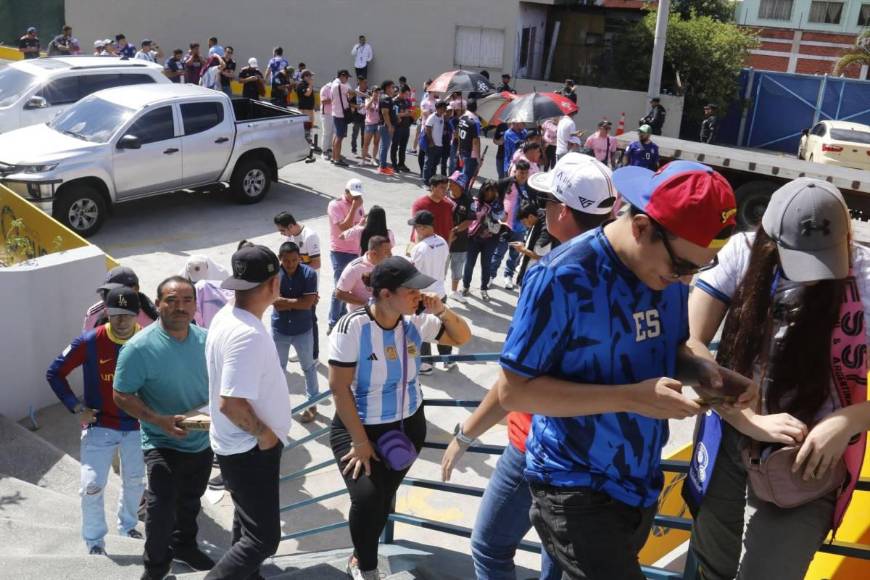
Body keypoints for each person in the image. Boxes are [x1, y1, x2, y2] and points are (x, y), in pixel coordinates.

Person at [496, 160, 742, 579]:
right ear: (643, 227)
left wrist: (704, 371)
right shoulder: (561, 278)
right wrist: (631, 397)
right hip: (572, 483)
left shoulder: (664, 275)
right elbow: (513, 392)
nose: (686, 282)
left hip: (638, 481)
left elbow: (671, 348)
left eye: (699, 270)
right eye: (683, 267)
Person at [442, 153, 617, 580]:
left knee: (488, 546)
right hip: (598, 446)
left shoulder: (552, 278)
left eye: (547, 201)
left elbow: (512, 387)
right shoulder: (624, 270)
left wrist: (465, 435)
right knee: (557, 555)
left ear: (561, 210)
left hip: (539, 442)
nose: (541, 209)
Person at [685, 178, 870, 580]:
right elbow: (690, 344)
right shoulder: (743, 252)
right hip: (729, 434)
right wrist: (746, 420)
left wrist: (850, 419)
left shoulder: (866, 278)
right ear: (769, 237)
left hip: (807, 455)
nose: (815, 273)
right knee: (711, 564)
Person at [329, 257, 470, 580]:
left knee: (382, 498)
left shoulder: (416, 322)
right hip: (359, 426)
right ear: (385, 293)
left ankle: (363, 553)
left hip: (408, 425)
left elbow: (461, 337)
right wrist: (361, 442)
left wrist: (442, 311)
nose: (419, 295)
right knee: (367, 499)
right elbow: (338, 388)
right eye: (411, 290)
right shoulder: (353, 327)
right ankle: (365, 565)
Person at [113, 277, 215, 579]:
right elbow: (121, 395)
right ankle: (155, 569)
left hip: (201, 441)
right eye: (171, 300)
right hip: (161, 441)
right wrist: (159, 421)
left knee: (191, 500)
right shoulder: (138, 348)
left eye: (186, 300)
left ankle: (184, 546)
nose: (179, 307)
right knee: (160, 508)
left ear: (195, 305)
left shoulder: (207, 340)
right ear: (157, 304)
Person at [204, 246, 290, 579]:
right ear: (273, 283)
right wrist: (266, 435)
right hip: (250, 449)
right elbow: (231, 403)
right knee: (263, 538)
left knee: (246, 523)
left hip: (238, 446)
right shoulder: (246, 335)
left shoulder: (227, 315)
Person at [47, 287, 145, 556]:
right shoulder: (89, 341)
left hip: (139, 427)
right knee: (91, 486)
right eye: (115, 315)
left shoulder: (150, 340)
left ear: (137, 314)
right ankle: (94, 542)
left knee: (136, 482)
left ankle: (128, 527)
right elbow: (55, 372)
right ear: (107, 314)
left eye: (127, 314)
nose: (122, 321)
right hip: (99, 426)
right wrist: (76, 407)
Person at [268, 242, 320, 423]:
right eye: (286, 260)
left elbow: (307, 304)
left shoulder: (309, 274)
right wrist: (300, 301)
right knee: (278, 369)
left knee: (308, 367)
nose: (290, 264)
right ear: (280, 258)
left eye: (294, 260)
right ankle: (279, 406)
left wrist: (284, 301)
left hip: (302, 330)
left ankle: (313, 403)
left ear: (300, 258)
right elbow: (275, 302)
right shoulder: (273, 275)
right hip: (280, 329)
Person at [408, 211, 452, 374]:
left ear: (424, 228)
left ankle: (426, 365)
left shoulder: (419, 248)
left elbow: (413, 275)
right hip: (440, 293)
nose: (415, 231)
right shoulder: (442, 242)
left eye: (416, 227)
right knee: (442, 327)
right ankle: (447, 360)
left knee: (422, 330)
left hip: (424, 296)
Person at [328, 179, 367, 333]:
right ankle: (333, 321)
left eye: (358, 196)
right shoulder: (335, 205)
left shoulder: (358, 204)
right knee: (340, 287)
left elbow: (358, 225)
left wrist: (363, 222)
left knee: (351, 287)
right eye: (353, 195)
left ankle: (343, 316)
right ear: (346, 191)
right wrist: (354, 207)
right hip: (340, 251)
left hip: (355, 251)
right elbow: (344, 226)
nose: (356, 198)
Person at [490, 161, 532, 290]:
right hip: (505, 224)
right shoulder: (507, 182)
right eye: (521, 172)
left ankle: (508, 276)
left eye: (526, 173)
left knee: (514, 254)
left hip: (520, 227)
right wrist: (497, 211)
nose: (523, 175)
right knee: (498, 252)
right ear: (516, 171)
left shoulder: (530, 187)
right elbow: (492, 191)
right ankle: (490, 275)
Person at [462, 180, 505, 302]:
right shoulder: (475, 202)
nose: (489, 193)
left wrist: (495, 211)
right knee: (469, 264)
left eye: (492, 190)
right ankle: (466, 286)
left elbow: (502, 218)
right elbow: (470, 217)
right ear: (483, 190)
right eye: (487, 190)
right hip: (473, 238)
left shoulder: (499, 205)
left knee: (486, 265)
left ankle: (483, 289)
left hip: (491, 240)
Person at [84, 266, 158, 330]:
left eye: (118, 290)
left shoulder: (153, 313)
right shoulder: (94, 313)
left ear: (136, 289)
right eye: (108, 291)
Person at [335, 236, 392, 311]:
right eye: (386, 252)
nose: (390, 254)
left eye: (390, 250)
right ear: (373, 254)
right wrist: (367, 304)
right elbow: (340, 293)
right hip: (362, 315)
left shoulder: (389, 264)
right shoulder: (354, 268)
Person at [446, 172, 473, 304]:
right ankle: (438, 290)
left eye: (454, 183)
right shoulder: (444, 195)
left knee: (457, 266)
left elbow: (470, 220)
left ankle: (454, 291)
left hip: (460, 240)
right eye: (450, 182)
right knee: (441, 266)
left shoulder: (468, 200)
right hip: (444, 238)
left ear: (461, 186)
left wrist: (455, 230)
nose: (450, 184)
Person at [411, 174, 456, 243]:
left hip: (441, 247)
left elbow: (450, 229)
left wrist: (447, 248)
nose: (445, 191)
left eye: (446, 188)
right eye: (442, 188)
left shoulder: (448, 205)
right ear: (432, 187)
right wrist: (419, 248)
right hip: (423, 246)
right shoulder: (419, 204)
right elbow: (418, 229)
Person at [331, 70, 354, 166]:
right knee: (339, 137)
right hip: (341, 114)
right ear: (342, 76)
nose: (347, 79)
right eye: (347, 77)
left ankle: (334, 157)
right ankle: (337, 159)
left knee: (337, 136)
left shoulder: (335, 84)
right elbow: (353, 93)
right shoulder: (340, 85)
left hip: (337, 113)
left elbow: (347, 97)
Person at [457, 99, 482, 183]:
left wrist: (458, 149)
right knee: (467, 175)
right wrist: (478, 157)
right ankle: (462, 193)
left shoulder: (462, 118)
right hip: (471, 153)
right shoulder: (475, 121)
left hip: (462, 149)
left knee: (462, 173)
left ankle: (459, 191)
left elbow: (459, 135)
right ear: (476, 108)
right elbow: (476, 140)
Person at [423, 101, 448, 184]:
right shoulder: (432, 117)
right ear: (437, 108)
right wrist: (431, 142)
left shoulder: (442, 117)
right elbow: (427, 129)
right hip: (432, 145)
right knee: (428, 164)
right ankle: (426, 182)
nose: (444, 110)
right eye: (443, 108)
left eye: (445, 108)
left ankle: (432, 181)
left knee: (435, 164)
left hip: (439, 145)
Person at [390, 86, 414, 173]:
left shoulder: (407, 101)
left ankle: (401, 164)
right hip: (397, 127)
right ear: (401, 93)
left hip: (406, 127)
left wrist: (411, 114)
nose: (408, 96)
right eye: (406, 94)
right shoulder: (394, 101)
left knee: (403, 147)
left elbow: (408, 112)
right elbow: (394, 115)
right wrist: (405, 114)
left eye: (409, 94)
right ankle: (394, 164)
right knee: (395, 146)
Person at [377, 79, 397, 176]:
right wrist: (389, 126)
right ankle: (382, 167)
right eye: (392, 87)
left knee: (383, 146)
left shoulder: (387, 98)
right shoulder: (385, 98)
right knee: (385, 146)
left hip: (385, 125)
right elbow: (385, 113)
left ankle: (382, 165)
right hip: (385, 126)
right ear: (388, 88)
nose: (394, 89)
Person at [361, 85, 382, 166]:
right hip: (369, 124)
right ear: (372, 92)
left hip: (378, 124)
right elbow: (366, 107)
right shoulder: (368, 99)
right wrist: (372, 99)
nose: (377, 94)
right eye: (375, 92)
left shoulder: (380, 101)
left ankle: (373, 159)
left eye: (378, 92)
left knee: (376, 143)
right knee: (366, 143)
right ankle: (363, 160)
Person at [296, 70, 316, 145]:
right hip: (304, 109)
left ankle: (307, 140)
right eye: (310, 76)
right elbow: (307, 94)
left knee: (309, 126)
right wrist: (310, 85)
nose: (311, 78)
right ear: (305, 77)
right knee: (305, 126)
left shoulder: (307, 84)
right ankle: (305, 142)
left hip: (309, 109)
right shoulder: (301, 85)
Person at [351, 77, 369, 156]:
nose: (366, 85)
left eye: (366, 83)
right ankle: (354, 150)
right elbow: (350, 103)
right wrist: (356, 106)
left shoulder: (368, 93)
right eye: (364, 83)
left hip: (365, 117)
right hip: (356, 116)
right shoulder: (355, 92)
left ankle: (363, 150)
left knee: (364, 135)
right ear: (360, 83)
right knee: (355, 134)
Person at [320, 80, 335, 160]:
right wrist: (334, 98)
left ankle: (329, 149)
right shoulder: (325, 88)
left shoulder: (336, 88)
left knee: (332, 133)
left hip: (334, 113)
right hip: (326, 114)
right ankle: (324, 151)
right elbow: (324, 101)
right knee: (326, 133)